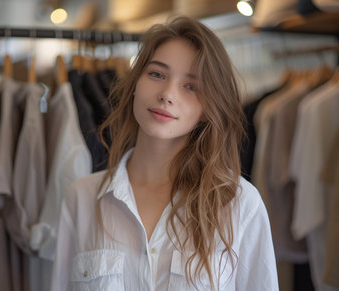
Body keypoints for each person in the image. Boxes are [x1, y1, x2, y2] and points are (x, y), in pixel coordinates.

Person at [50, 16, 279, 291]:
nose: (167, 94)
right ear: (135, 83)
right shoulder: (82, 198)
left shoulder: (238, 204)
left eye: (191, 86)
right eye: (157, 74)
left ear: (209, 107)